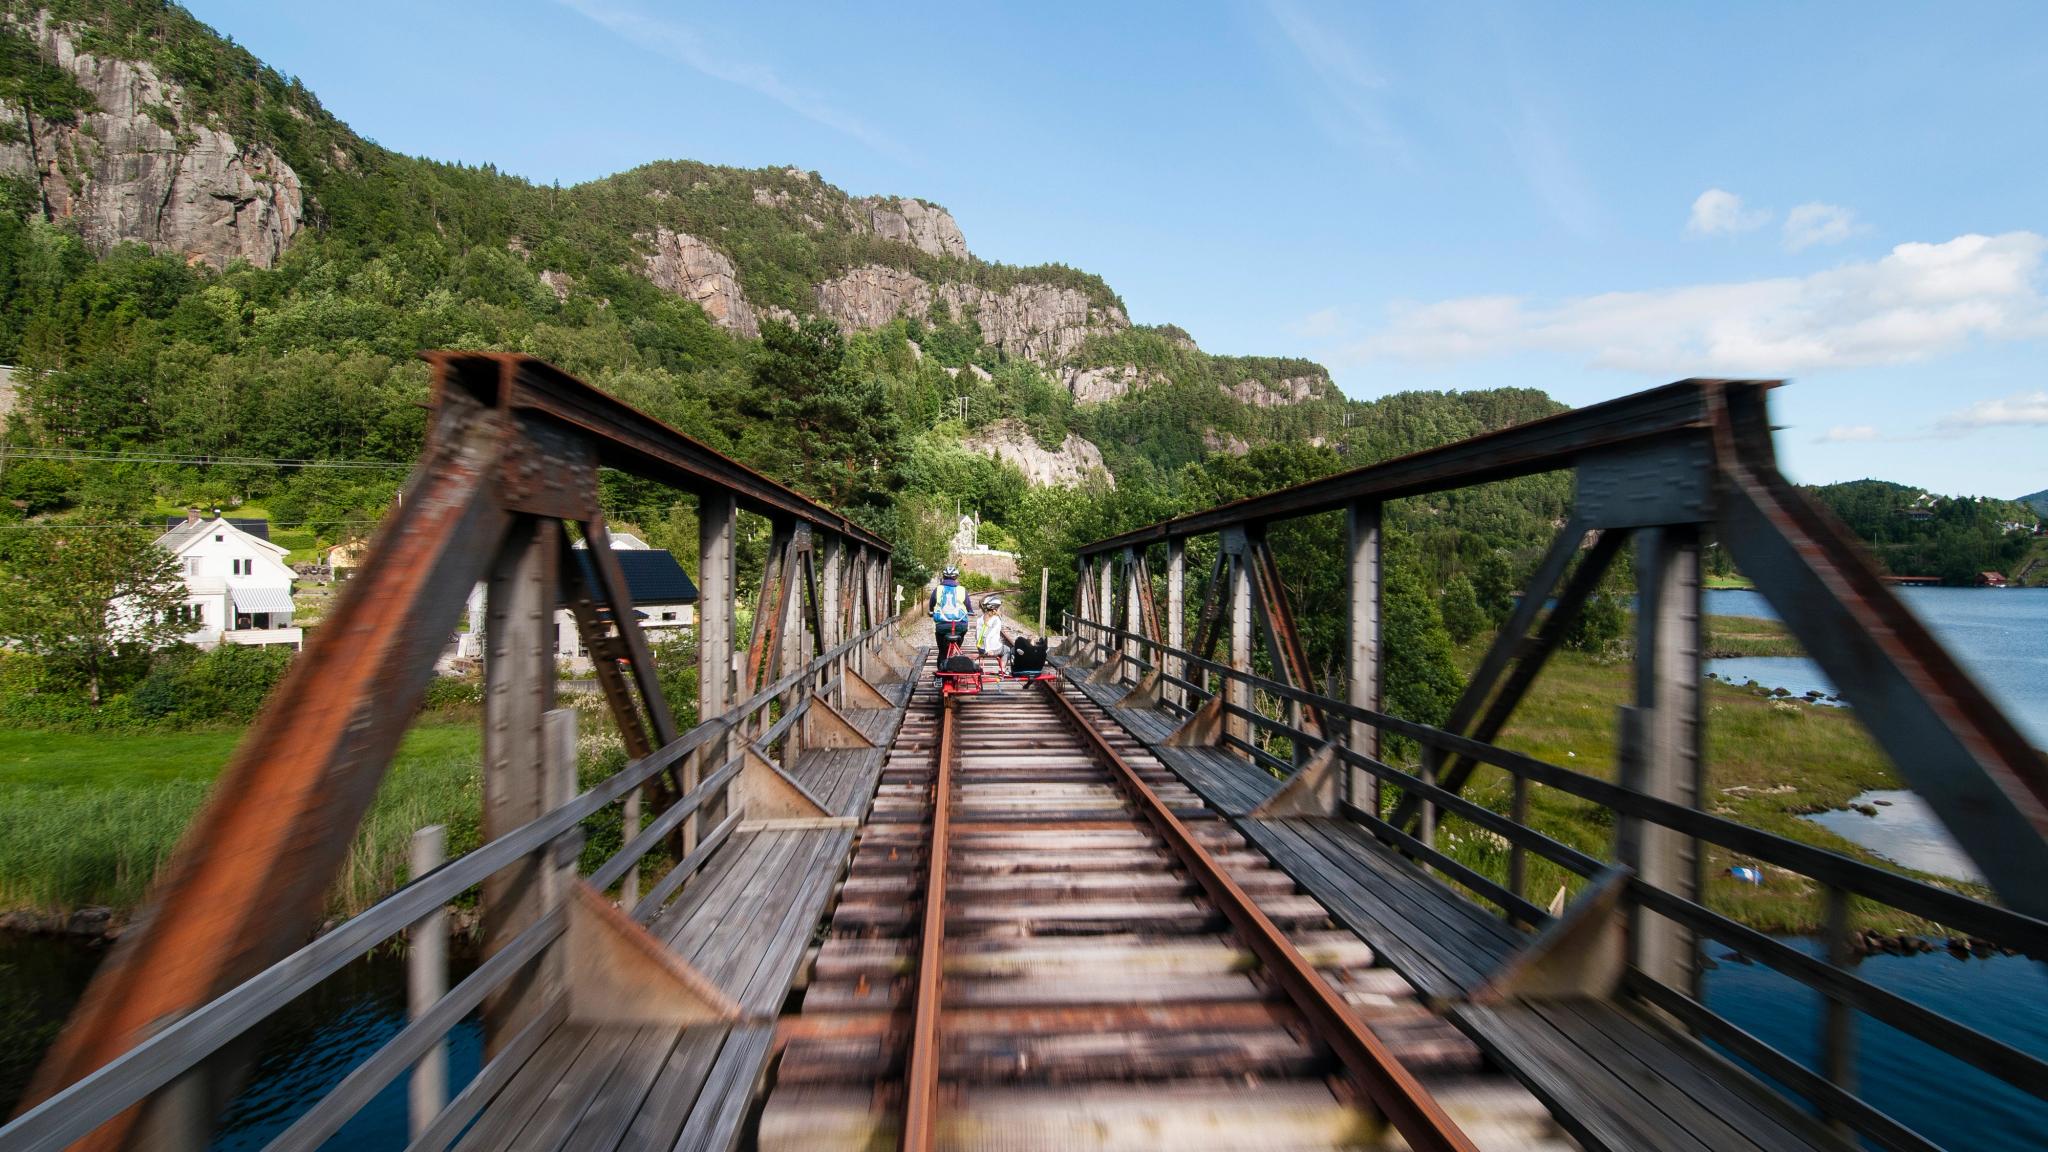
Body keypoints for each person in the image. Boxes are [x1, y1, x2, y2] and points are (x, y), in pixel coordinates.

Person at [929, 565, 975, 660]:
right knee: (961, 634)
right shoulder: (962, 590)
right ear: (956, 577)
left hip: (942, 625)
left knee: (942, 650)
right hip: (960, 625)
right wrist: (970, 612)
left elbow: (932, 604)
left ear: (944, 577)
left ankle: (942, 658)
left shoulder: (938, 589)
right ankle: (957, 648)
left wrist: (931, 611)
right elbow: (968, 605)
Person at [977, 595, 1012, 671]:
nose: (1000, 610)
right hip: (990, 649)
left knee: (1001, 647)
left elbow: (977, 635)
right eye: (999, 608)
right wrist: (988, 649)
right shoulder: (996, 620)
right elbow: (989, 635)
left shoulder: (980, 619)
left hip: (980, 648)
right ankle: (1002, 669)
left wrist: (980, 647)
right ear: (994, 609)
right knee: (1007, 650)